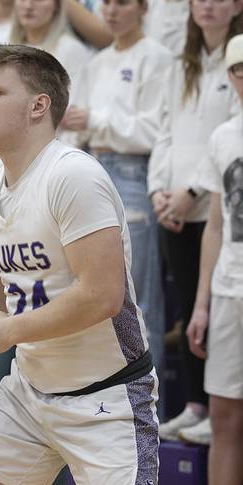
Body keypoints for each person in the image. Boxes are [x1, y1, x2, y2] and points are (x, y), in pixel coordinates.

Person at [0, 44, 157, 485]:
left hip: (108, 399)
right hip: (30, 394)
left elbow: (102, 295)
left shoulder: (73, 176)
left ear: (39, 105)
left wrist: (11, 331)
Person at [60, 0, 172, 417]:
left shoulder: (157, 57)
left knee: (138, 298)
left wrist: (98, 120)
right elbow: (77, 124)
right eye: (105, 2)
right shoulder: (98, 60)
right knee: (96, 292)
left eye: (122, 2)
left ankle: (147, 407)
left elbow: (155, 129)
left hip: (133, 172)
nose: (111, 11)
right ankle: (108, 400)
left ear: (143, 8)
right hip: (95, 168)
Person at [147, 0, 241, 445]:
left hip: (213, 207)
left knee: (214, 310)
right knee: (188, 310)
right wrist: (158, 193)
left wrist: (192, 194)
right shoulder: (179, 65)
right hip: (174, 207)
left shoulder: (237, 65)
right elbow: (163, 133)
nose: (206, 5)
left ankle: (216, 404)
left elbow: (226, 140)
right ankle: (195, 406)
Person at [185, 34, 243, 485]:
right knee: (224, 417)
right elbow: (217, 225)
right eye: (239, 69)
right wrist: (201, 304)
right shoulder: (224, 136)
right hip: (228, 292)